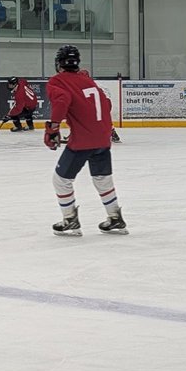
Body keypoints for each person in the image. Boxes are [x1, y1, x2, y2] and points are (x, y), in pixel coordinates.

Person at [45, 44, 127, 236]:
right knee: (102, 179)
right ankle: (115, 218)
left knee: (61, 180)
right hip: (103, 138)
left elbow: (62, 100)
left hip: (82, 141)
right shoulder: (87, 80)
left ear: (58, 64)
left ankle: (70, 220)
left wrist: (53, 129)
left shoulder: (58, 81)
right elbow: (106, 104)